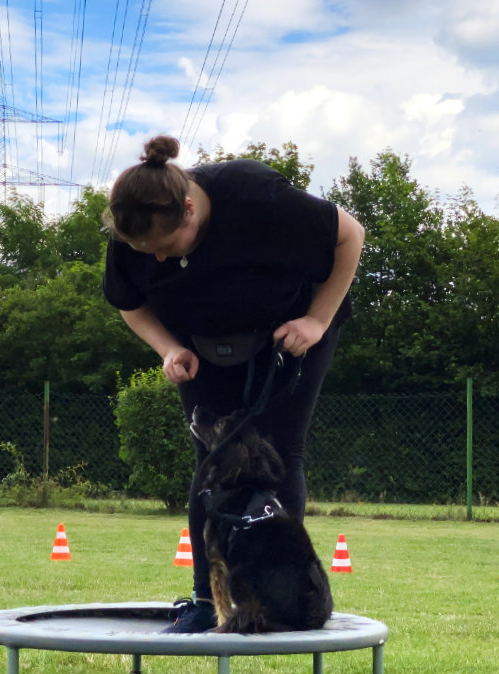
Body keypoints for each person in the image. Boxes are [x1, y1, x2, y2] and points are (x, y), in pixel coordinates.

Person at [102, 135, 366, 633]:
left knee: (277, 453)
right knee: (213, 460)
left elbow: (350, 235)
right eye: (144, 251)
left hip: (291, 331)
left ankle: (287, 599)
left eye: (165, 247)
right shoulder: (134, 225)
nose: (155, 259)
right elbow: (129, 303)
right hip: (202, 343)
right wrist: (168, 349)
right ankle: (209, 601)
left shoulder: (255, 196)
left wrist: (317, 320)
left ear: (189, 210)